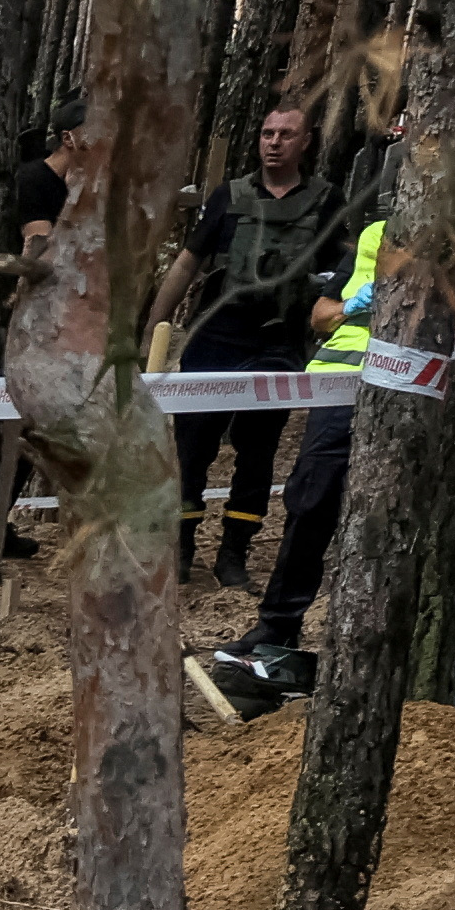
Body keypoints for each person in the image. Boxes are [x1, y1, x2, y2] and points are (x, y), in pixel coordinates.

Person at [194, 207, 385, 716]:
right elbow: (321, 315)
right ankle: (277, 627)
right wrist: (353, 304)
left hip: (417, 389)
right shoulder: (377, 236)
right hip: (341, 388)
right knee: (310, 501)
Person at [168, 103, 345, 591]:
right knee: (192, 447)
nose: (274, 143)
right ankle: (180, 547)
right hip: (215, 336)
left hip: (277, 341)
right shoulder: (228, 196)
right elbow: (188, 261)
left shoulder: (327, 201)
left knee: (258, 451)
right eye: (267, 133)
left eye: (286, 134)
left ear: (305, 142)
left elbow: (345, 270)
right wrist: (156, 316)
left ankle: (234, 553)